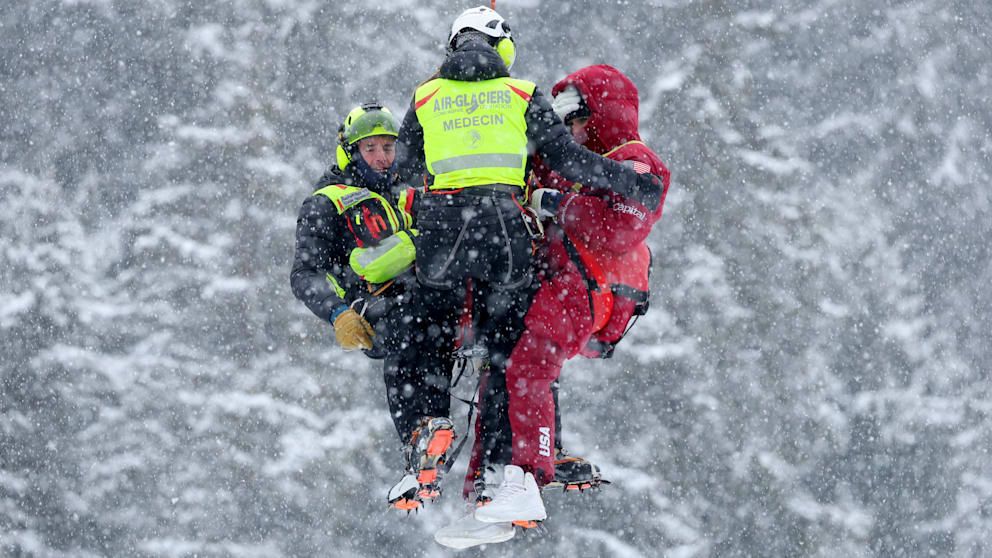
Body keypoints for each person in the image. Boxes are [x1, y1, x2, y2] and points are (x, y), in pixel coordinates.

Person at [388, 6, 666, 548]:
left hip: (450, 237)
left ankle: (446, 439)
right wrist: (612, 181)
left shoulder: (426, 95)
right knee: (509, 355)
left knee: (429, 332)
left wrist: (426, 202)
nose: (573, 123)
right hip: (507, 240)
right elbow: (562, 155)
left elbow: (403, 168)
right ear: (503, 46)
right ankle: (505, 478)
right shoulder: (520, 94)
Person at [289, 102, 457, 512]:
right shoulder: (328, 202)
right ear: (351, 152)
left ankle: (434, 441)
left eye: (389, 147)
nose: (383, 157)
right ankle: (415, 437)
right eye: (372, 149)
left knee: (441, 340)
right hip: (377, 303)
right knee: (409, 333)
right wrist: (337, 313)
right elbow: (305, 273)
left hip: (432, 297)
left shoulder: (413, 188)